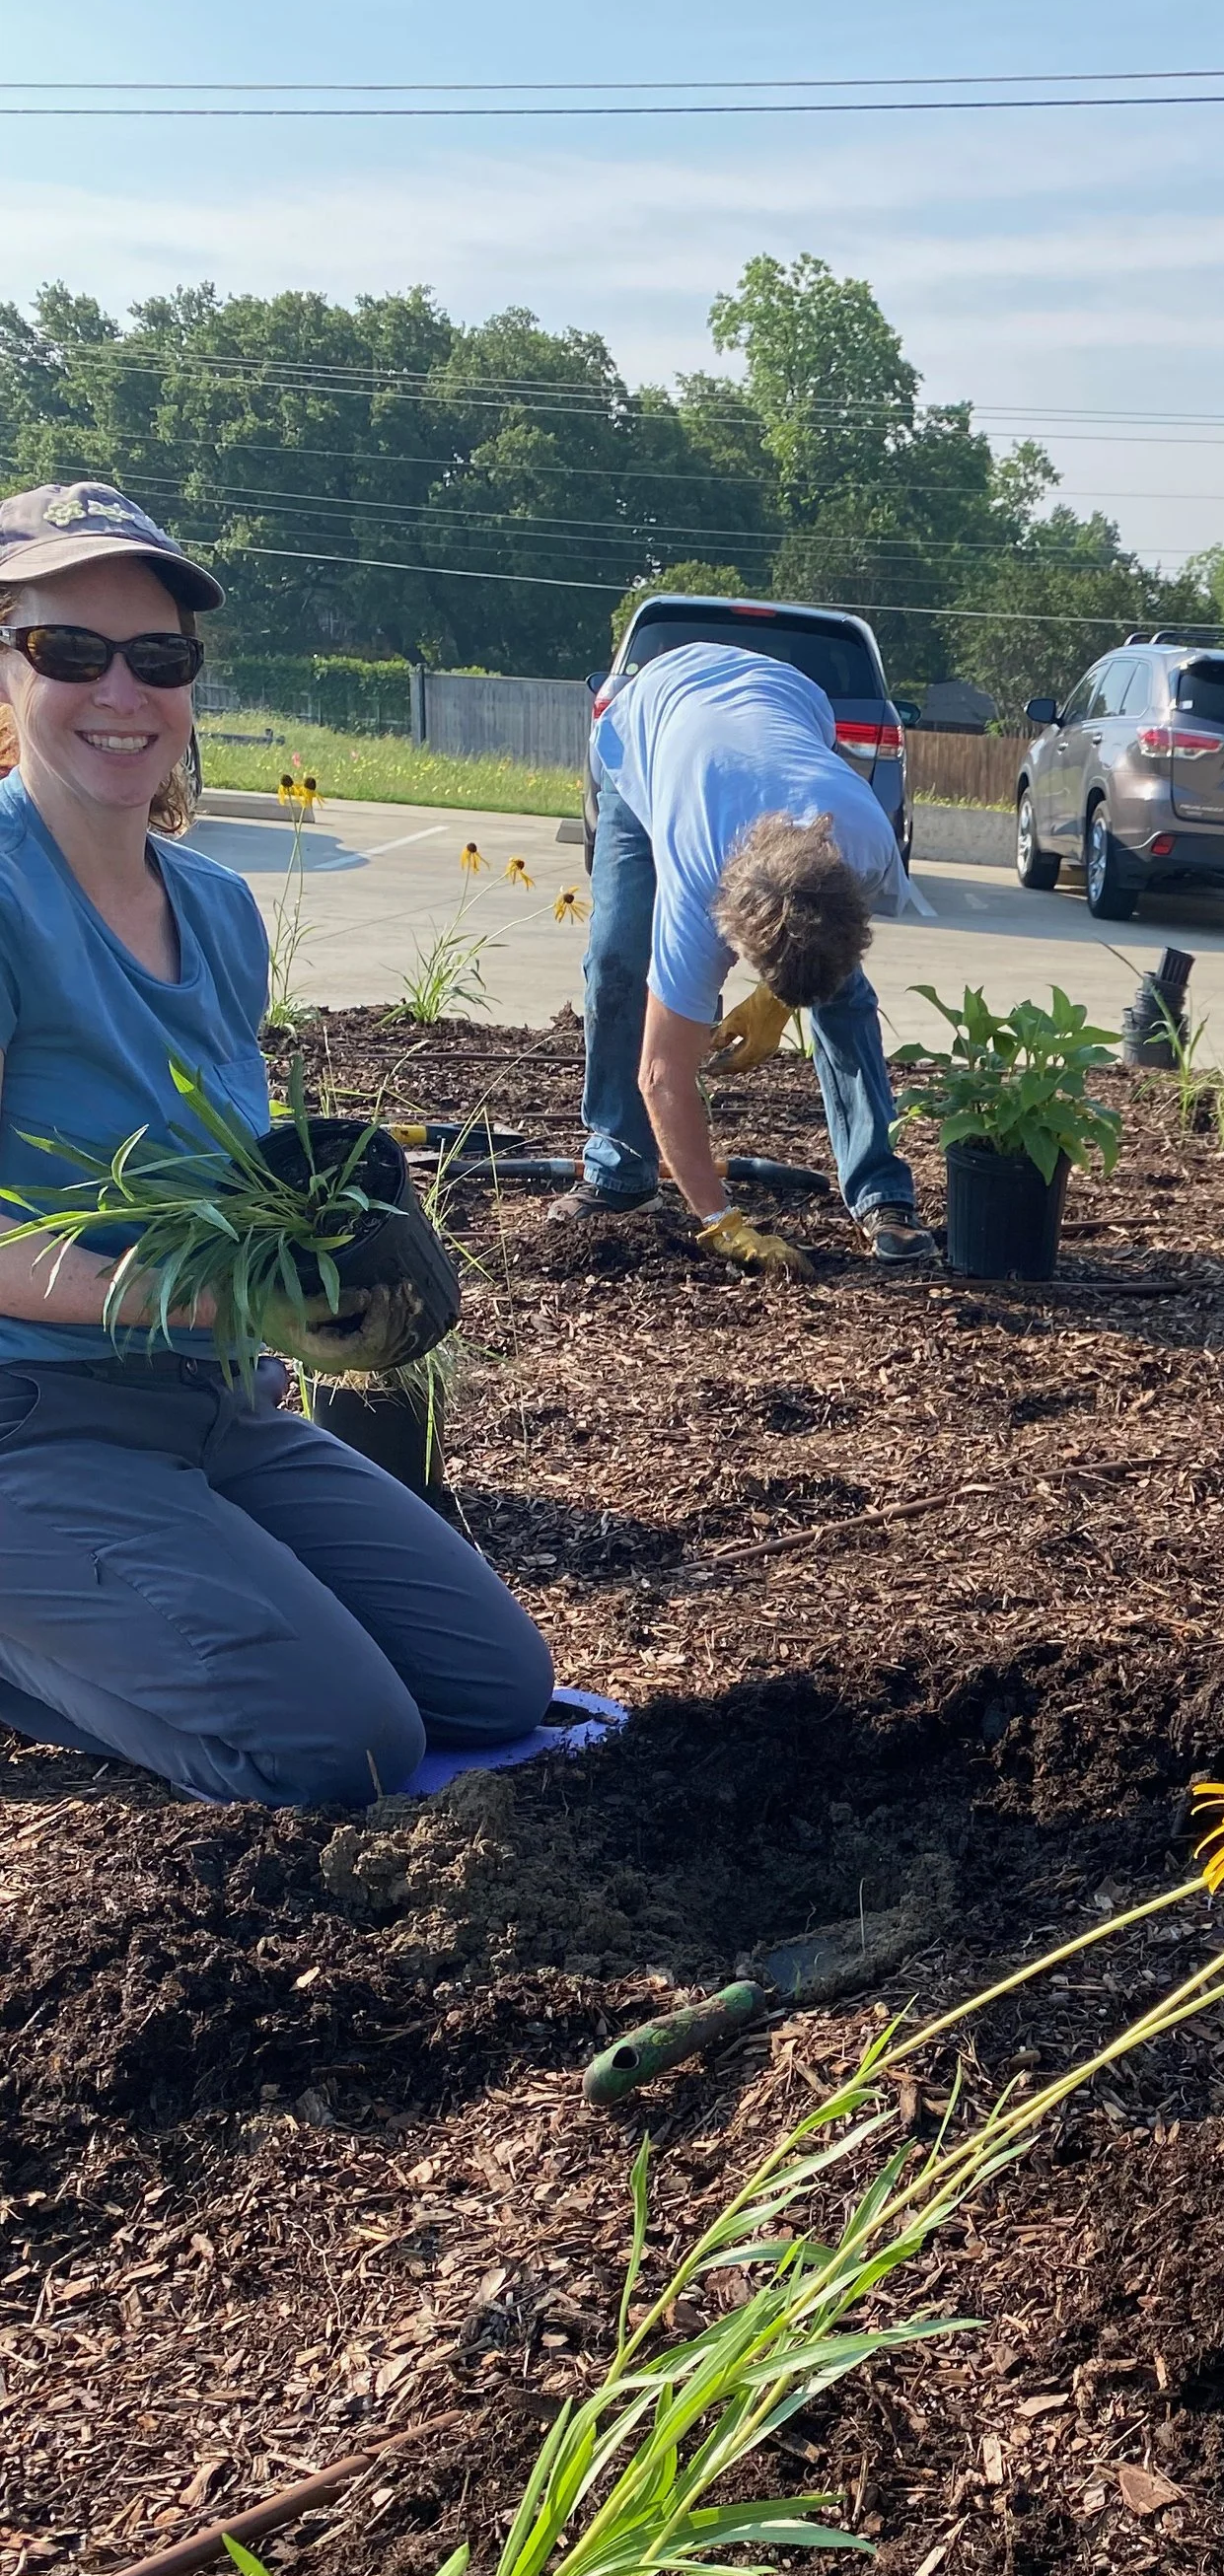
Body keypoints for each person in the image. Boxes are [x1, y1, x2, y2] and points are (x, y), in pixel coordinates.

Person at [0, 481, 552, 1806]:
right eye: (69, 650)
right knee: (338, 1743)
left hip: (216, 1410)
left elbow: (222, 1162)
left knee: (493, 1685)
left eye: (161, 657)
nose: (119, 690)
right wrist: (206, 1290)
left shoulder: (216, 904)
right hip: (33, 1422)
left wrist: (335, 1234)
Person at [562, 640, 934, 1270]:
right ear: (728, 934)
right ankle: (620, 1169)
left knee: (843, 993)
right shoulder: (695, 884)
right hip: (649, 725)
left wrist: (779, 998)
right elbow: (662, 1075)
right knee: (617, 963)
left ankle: (881, 1191)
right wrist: (722, 1225)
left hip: (785, 698)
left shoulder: (865, 839)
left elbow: (838, 940)